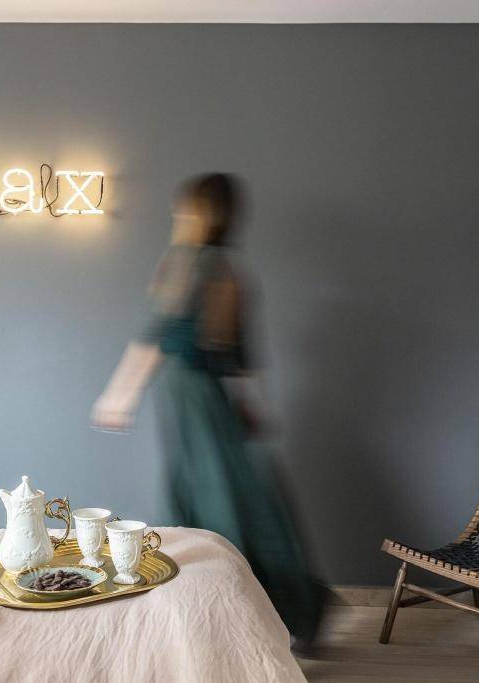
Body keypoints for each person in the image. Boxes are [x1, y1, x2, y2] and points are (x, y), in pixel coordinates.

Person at [92, 173, 326, 652]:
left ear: (200, 212)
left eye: (184, 208)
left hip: (190, 395)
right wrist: (251, 403)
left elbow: (159, 334)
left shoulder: (187, 261)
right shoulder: (231, 271)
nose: (177, 215)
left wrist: (119, 394)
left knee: (213, 503)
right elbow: (240, 355)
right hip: (211, 397)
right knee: (239, 499)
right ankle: (289, 610)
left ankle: (223, 617)